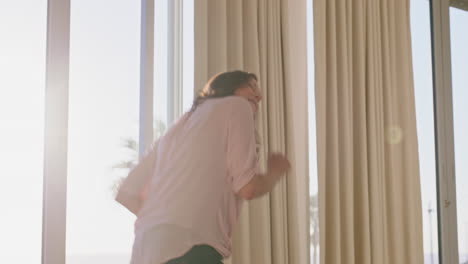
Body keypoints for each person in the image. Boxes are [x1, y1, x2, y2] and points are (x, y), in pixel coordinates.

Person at [117, 70, 291, 264]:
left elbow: (126, 194)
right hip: (192, 247)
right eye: (251, 87)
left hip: (145, 249)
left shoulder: (178, 128)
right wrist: (276, 172)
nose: (259, 96)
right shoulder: (237, 105)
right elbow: (247, 187)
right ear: (227, 87)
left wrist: (165, 220)